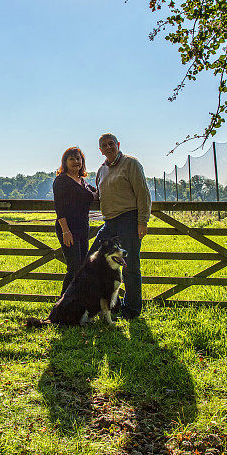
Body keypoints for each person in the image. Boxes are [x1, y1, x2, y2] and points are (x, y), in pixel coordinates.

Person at [91, 133, 151, 319]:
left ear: (118, 144)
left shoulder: (131, 164)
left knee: (130, 266)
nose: (108, 147)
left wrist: (142, 221)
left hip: (128, 220)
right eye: (104, 145)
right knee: (93, 260)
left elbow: (143, 194)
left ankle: (132, 309)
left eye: (111, 144)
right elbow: (98, 195)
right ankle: (106, 305)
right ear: (100, 150)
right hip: (109, 223)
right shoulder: (101, 170)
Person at [53, 146, 97, 295]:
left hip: (83, 228)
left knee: (82, 266)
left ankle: (76, 302)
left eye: (78, 158)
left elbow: (96, 193)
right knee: (74, 267)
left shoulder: (82, 181)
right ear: (65, 162)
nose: (75, 162)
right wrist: (66, 231)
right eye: (71, 159)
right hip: (68, 228)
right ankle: (63, 304)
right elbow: (60, 208)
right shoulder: (61, 181)